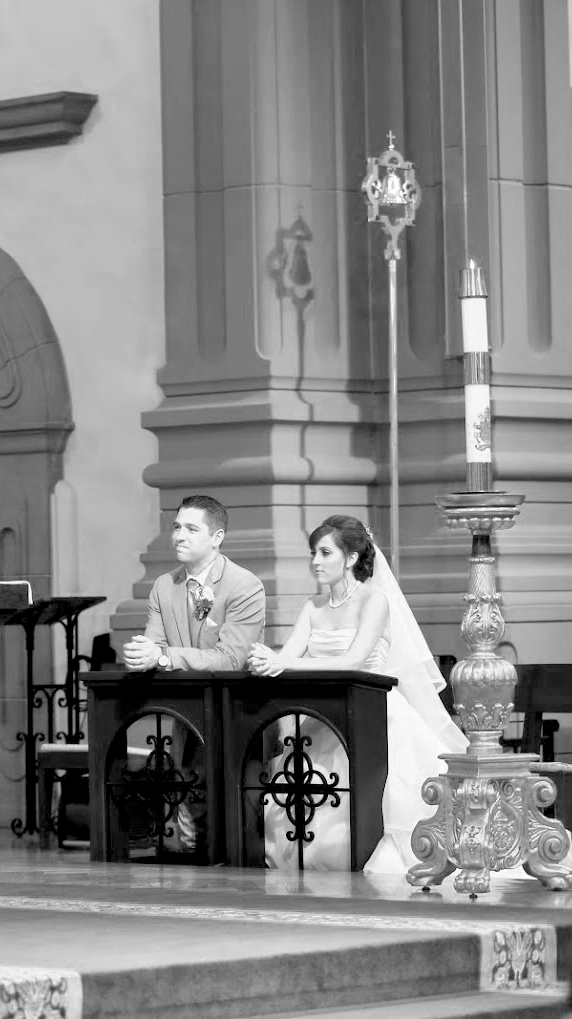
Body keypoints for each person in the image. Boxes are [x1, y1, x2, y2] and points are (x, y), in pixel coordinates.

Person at [247, 514, 468, 872]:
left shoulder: (374, 601)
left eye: (325, 553)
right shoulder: (312, 607)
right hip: (322, 716)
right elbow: (286, 657)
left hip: (373, 711)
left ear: (350, 558)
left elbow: (353, 660)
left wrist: (281, 662)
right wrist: (264, 659)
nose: (315, 562)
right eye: (313, 553)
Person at [123, 494, 266, 854]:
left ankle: (224, 850)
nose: (178, 536)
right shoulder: (163, 586)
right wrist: (141, 655)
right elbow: (155, 644)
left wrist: (164, 657)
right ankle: (188, 844)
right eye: (176, 527)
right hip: (186, 713)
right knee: (187, 792)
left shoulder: (244, 585)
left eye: (191, 528)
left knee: (222, 805)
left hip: (235, 713)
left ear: (217, 537)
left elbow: (231, 658)